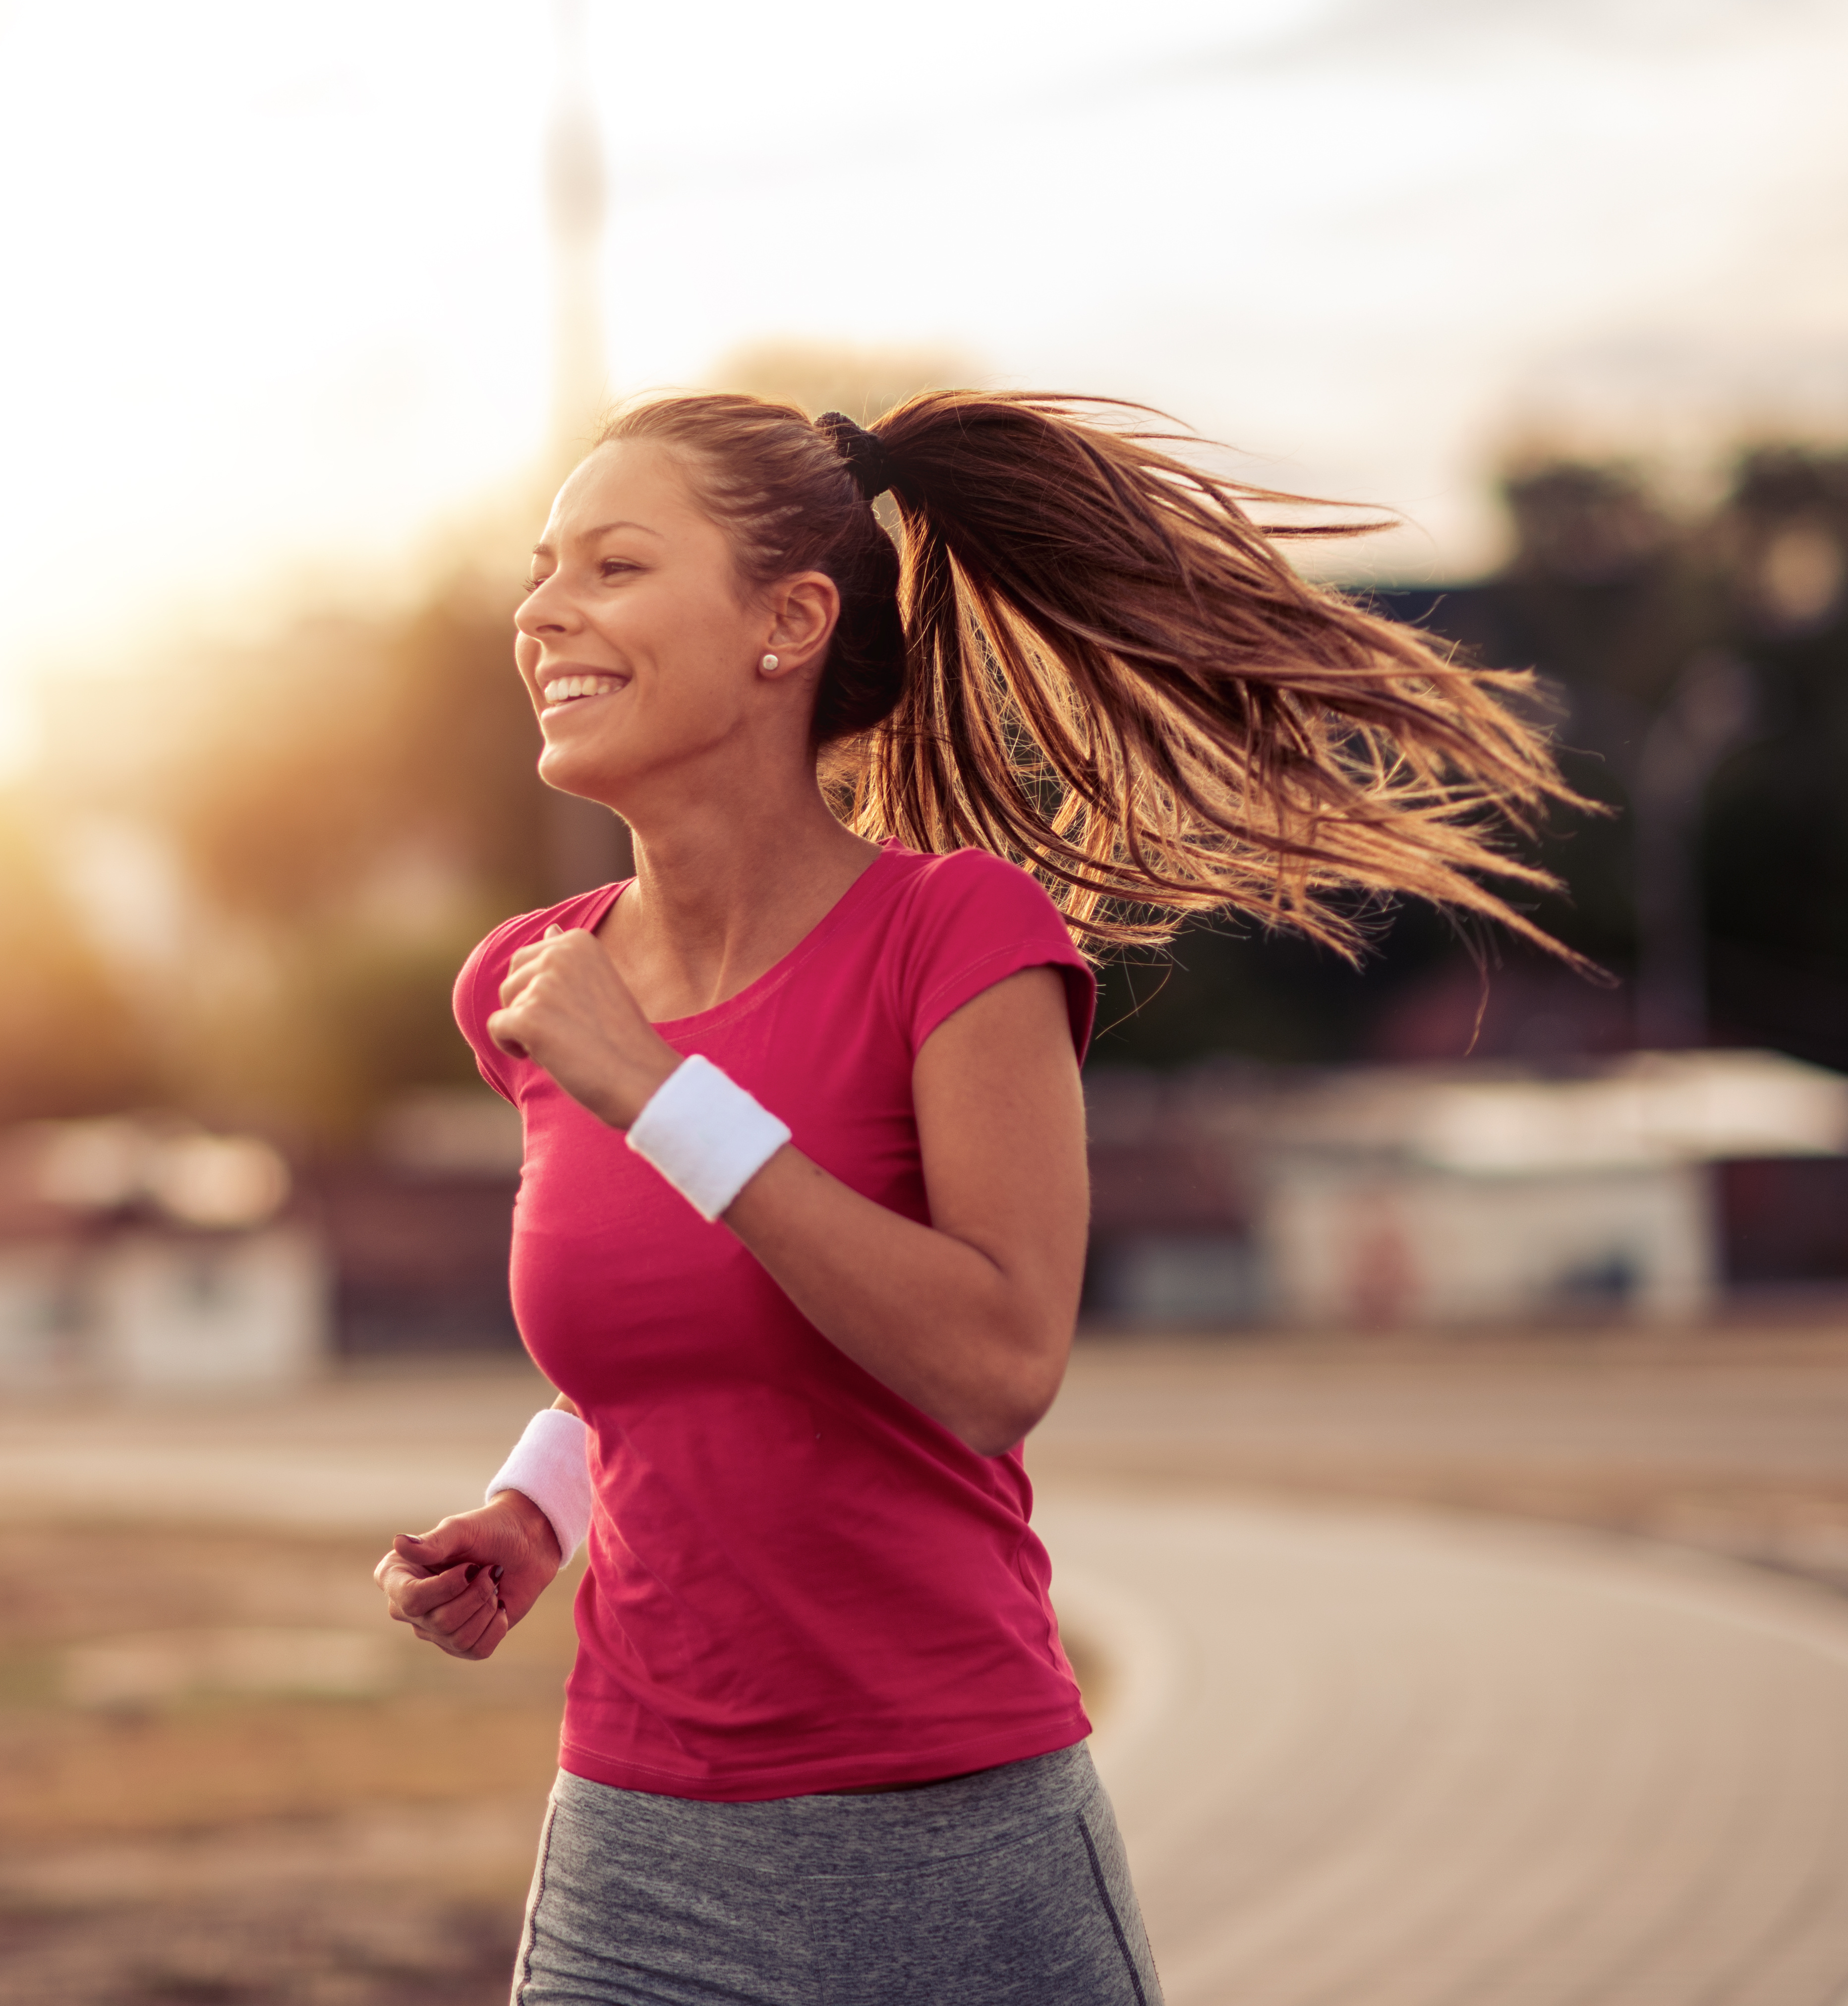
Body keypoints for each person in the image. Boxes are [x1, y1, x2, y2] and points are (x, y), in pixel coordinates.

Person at [372, 390, 1581, 2006]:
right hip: (637, 1847)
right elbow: (699, 1318)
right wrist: (540, 1505)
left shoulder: (953, 936)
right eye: (541, 570)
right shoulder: (529, 991)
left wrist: (656, 1090)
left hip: (949, 1845)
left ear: (786, 624)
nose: (541, 612)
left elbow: (995, 1361)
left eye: (611, 564)